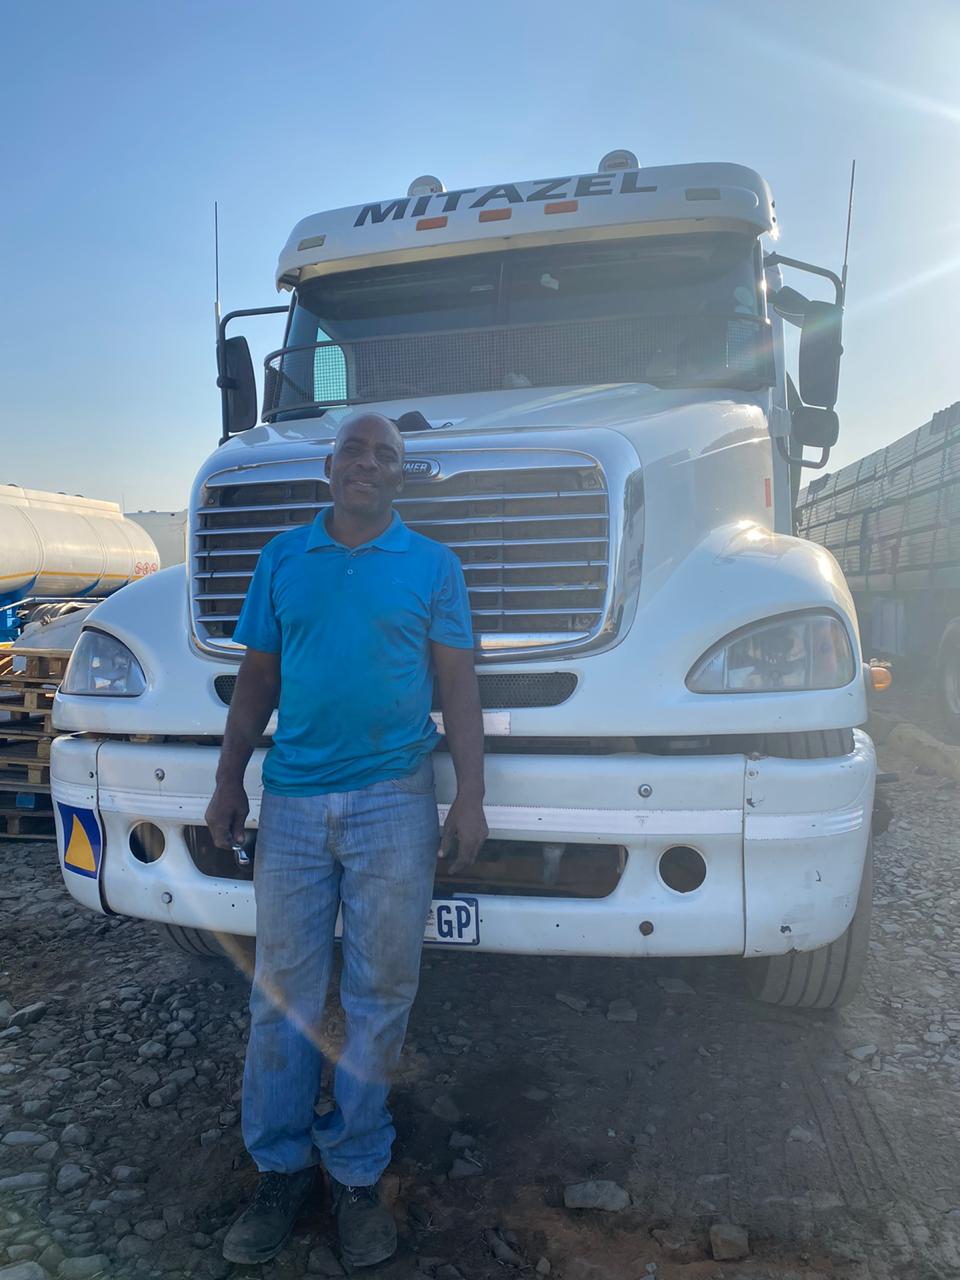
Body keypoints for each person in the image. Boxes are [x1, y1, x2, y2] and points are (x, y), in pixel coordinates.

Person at [205, 411, 487, 1269]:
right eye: (354, 451)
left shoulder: (433, 566)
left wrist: (470, 798)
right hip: (292, 803)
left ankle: (358, 1169)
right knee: (281, 997)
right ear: (329, 467)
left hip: (395, 802)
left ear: (400, 475)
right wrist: (227, 781)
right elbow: (257, 676)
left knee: (381, 994)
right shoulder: (283, 558)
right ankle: (280, 1169)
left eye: (385, 455)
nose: (368, 463)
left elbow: (457, 684)